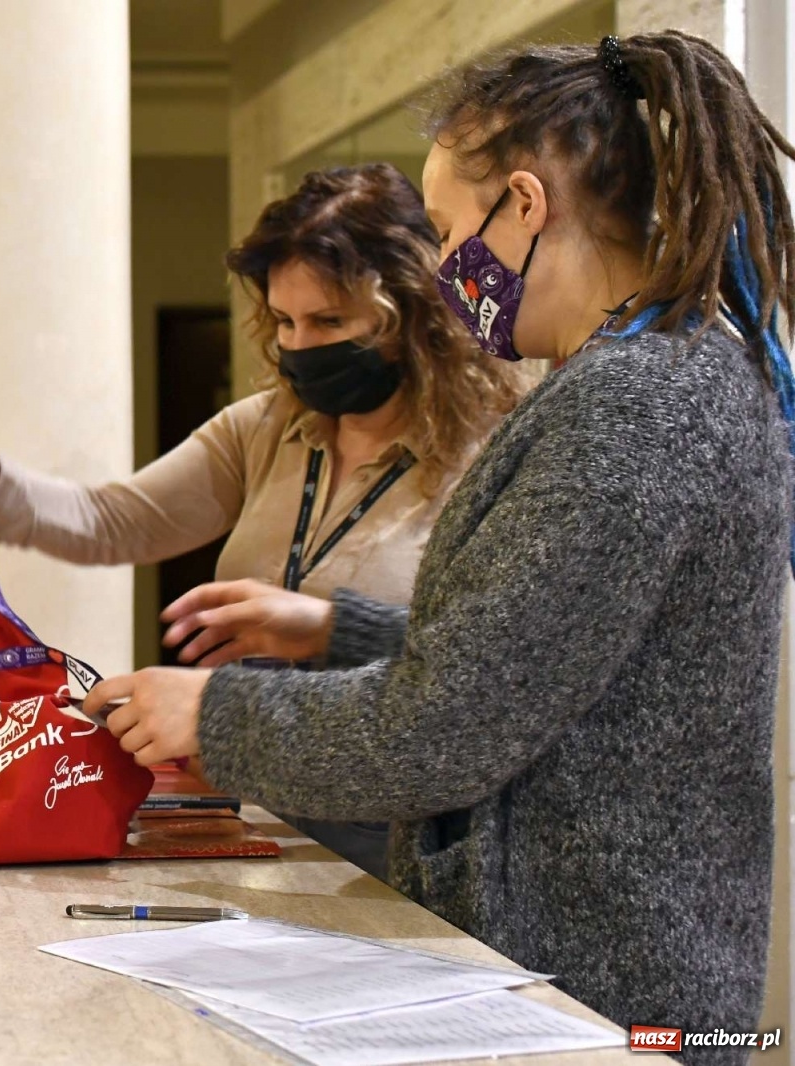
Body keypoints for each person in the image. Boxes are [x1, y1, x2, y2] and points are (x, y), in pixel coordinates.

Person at [85, 32, 795, 1060]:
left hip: (594, 991)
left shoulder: (636, 404)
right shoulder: (650, 380)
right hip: (590, 969)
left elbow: (451, 728)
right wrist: (336, 629)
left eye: (456, 232)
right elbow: (541, 662)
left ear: (525, 202)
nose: (451, 271)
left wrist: (213, 710)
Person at [0, 163, 524, 878]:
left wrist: (322, 624)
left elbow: (485, 673)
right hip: (259, 820)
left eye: (329, 321)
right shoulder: (268, 427)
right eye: (286, 321)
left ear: (414, 316)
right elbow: (114, 520)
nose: (300, 346)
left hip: (401, 848)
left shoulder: (493, 451)